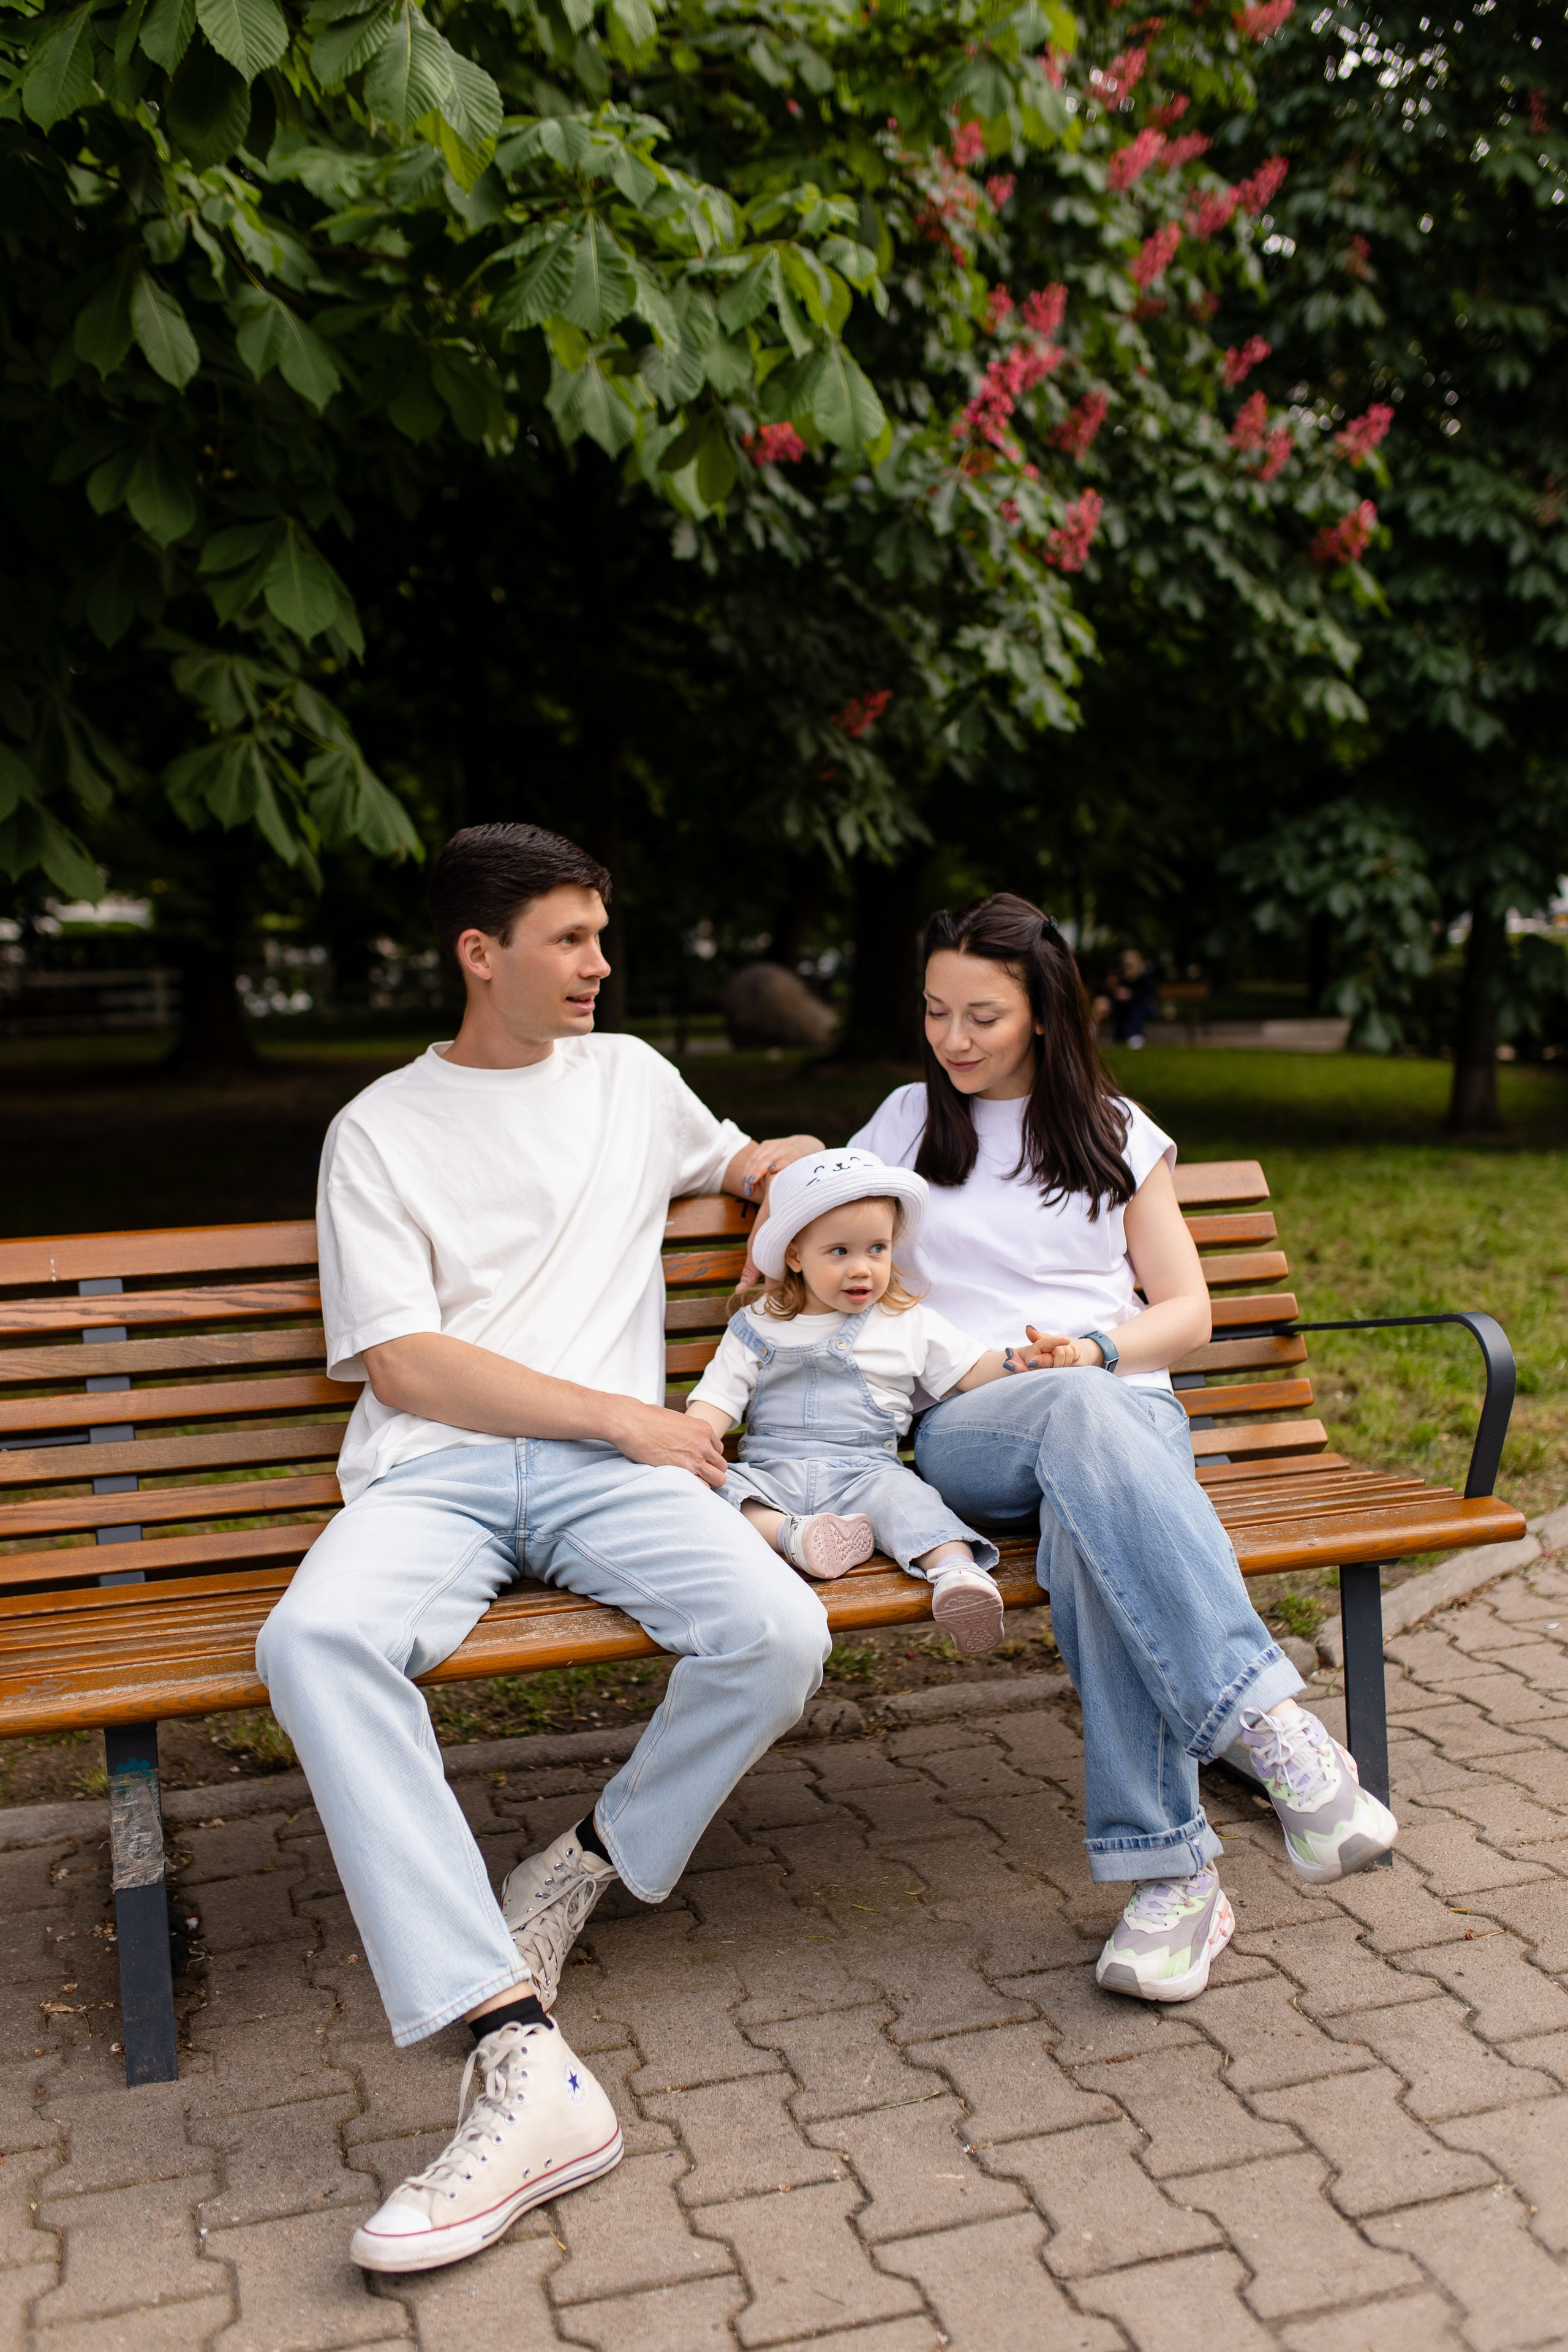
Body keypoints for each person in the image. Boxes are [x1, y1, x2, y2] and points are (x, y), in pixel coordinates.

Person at [256, 822, 829, 2277]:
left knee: (778, 1632)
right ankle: (517, 2048)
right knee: (310, 1640)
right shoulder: (380, 1127)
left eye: (598, 934)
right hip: (438, 1475)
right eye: (569, 938)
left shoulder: (631, 1080)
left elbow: (733, 1155)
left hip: (602, 1481)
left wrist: (797, 1166)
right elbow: (403, 1364)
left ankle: (577, 1865)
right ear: (479, 952)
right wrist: (624, 1416)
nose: (598, 962)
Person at [850, 891, 1398, 2003]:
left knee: (1093, 1528)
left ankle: (1175, 1883)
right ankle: (1268, 1724)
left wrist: (1095, 1346)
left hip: (1121, 1418)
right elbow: (830, 1244)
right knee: (1080, 1416)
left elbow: (1186, 1311)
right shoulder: (905, 1124)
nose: (953, 1039)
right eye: (936, 1012)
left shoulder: (1111, 1128)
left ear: (1044, 1016)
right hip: (975, 1425)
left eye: (983, 1018)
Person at [685, 1147, 1038, 1653]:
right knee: (712, 1493)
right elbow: (716, 1403)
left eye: (877, 1249)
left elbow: (971, 1371)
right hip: (772, 1474)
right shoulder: (758, 1324)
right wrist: (694, 1446)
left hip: (867, 1474)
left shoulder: (906, 1321)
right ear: (794, 1257)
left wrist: (1021, 1361)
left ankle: (958, 1576)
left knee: (911, 1501)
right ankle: (796, 1536)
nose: (862, 1269)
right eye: (839, 1252)